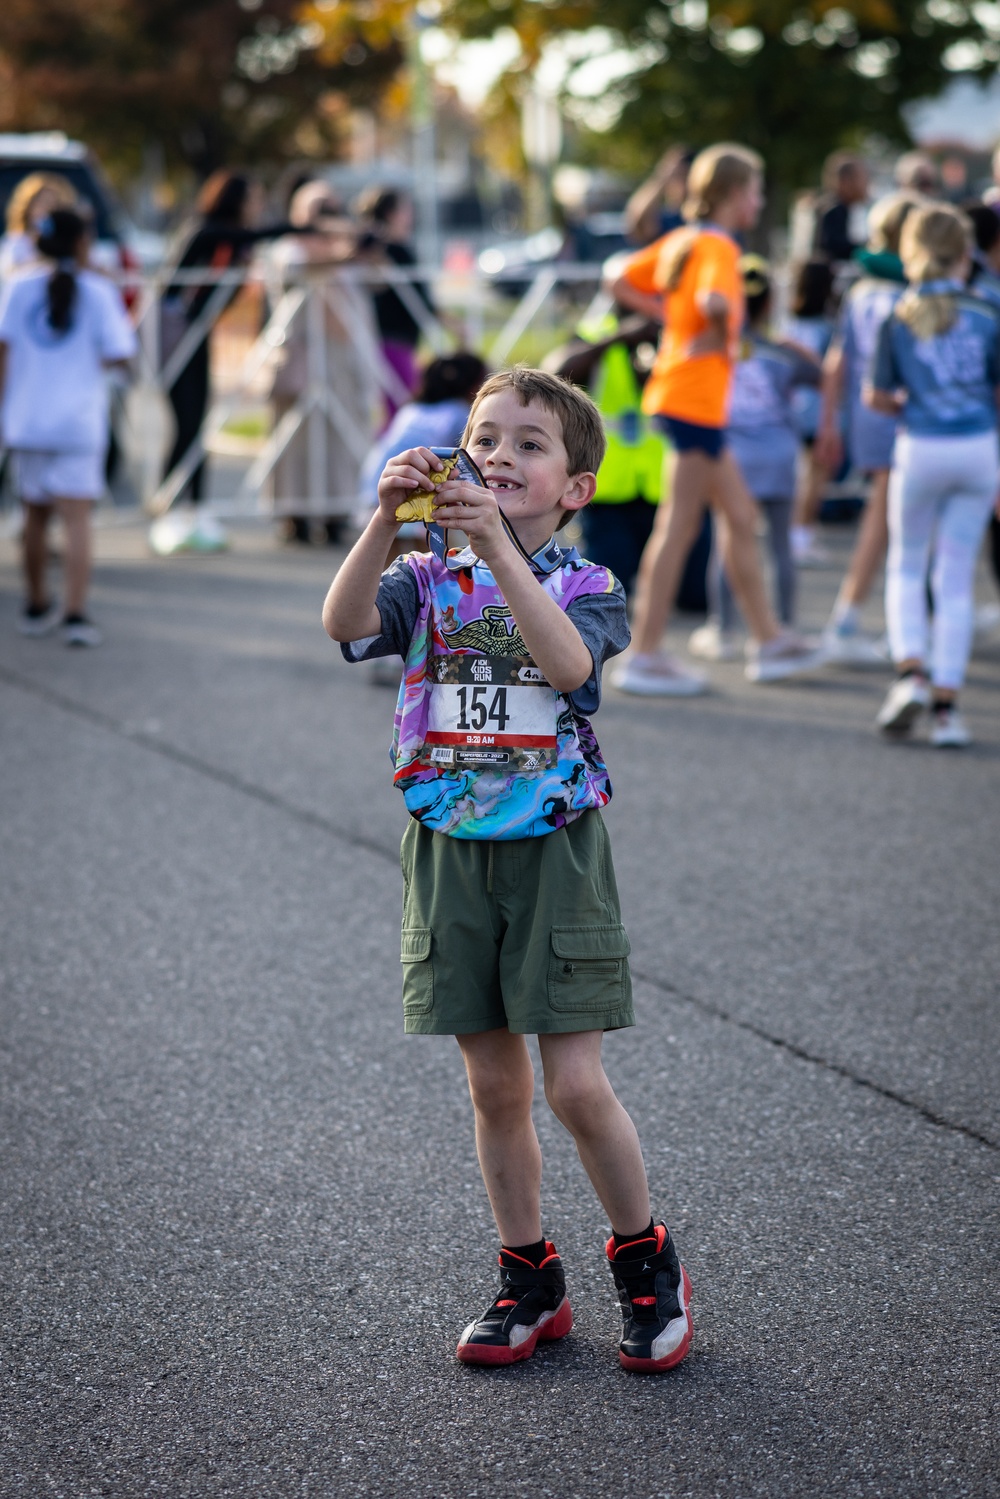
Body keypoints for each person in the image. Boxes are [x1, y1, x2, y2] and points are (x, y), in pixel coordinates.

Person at [322, 366, 693, 1375]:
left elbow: (569, 668)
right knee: (493, 1085)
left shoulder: (586, 584)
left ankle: (643, 1260)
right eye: (485, 437)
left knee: (573, 1084)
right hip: (447, 847)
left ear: (574, 486)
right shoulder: (426, 579)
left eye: (529, 444)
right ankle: (528, 1273)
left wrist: (493, 545)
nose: (498, 456)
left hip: (555, 850)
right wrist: (380, 527)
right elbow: (345, 623)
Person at [607, 142, 823, 694]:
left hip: (687, 398)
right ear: (732, 193)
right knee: (677, 529)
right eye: (754, 189)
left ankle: (769, 641)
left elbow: (619, 279)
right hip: (692, 402)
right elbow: (712, 300)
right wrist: (710, 321)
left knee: (739, 515)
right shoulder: (721, 246)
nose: (758, 200)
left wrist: (673, 324)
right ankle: (647, 656)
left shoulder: (684, 237)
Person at [868, 204, 1000, 746]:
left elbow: (875, 396)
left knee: (906, 566)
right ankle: (948, 711)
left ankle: (911, 675)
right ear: (965, 252)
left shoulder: (898, 313)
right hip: (978, 448)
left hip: (921, 447)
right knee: (955, 577)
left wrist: (908, 401)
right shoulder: (990, 310)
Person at [0, 208, 136, 645]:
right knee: (77, 520)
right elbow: (120, 351)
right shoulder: (97, 290)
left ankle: (37, 603)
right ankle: (75, 612)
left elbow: (3, 352)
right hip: (78, 420)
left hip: (27, 418)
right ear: (83, 242)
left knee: (34, 517)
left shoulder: (17, 287)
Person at [692, 255, 820, 660]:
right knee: (780, 545)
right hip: (780, 454)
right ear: (768, 304)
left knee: (728, 541)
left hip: (733, 455)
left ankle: (722, 629)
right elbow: (819, 374)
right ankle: (783, 625)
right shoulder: (781, 352)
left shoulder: (716, 350)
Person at [816, 192, 919, 665]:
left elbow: (836, 363)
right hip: (899, 416)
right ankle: (852, 618)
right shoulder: (907, 294)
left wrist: (829, 423)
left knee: (889, 518)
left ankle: (863, 618)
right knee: (894, 522)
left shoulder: (861, 290)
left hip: (865, 416)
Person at [160, 171, 296, 528]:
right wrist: (300, 227)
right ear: (235, 201)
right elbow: (250, 236)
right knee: (187, 420)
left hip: (195, 333)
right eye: (253, 199)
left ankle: (190, 506)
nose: (259, 207)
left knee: (196, 421)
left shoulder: (233, 242)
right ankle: (173, 504)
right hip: (172, 333)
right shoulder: (206, 231)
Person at [269, 180, 381, 544]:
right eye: (319, 210)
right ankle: (296, 516)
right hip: (303, 355)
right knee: (297, 440)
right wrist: (341, 251)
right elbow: (299, 269)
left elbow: (379, 279)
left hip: (342, 359)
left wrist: (363, 242)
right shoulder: (288, 249)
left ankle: (338, 511)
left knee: (342, 438)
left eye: (332, 208)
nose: (327, 218)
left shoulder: (346, 250)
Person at [355, 187, 437, 423]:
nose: (411, 214)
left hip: (405, 340)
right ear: (391, 213)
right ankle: (389, 458)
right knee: (399, 411)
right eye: (405, 209)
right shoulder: (384, 251)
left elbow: (421, 298)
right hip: (390, 339)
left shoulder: (400, 249)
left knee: (403, 406)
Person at [782, 259, 836, 567]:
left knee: (802, 475)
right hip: (818, 410)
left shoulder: (790, 323)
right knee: (816, 475)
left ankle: (799, 532)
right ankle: (801, 534)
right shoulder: (828, 328)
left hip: (792, 407)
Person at [0, 173, 78, 285]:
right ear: (28, 207)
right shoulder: (15, 242)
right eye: (42, 203)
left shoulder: (68, 243)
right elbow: (7, 277)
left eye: (53, 204)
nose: (47, 209)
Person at [623, 146, 693, 247]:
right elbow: (638, 224)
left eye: (682, 175)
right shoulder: (670, 217)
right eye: (676, 175)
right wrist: (662, 178)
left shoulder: (701, 216)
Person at [813, 152, 869, 266]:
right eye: (861, 178)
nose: (866, 184)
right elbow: (835, 248)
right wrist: (868, 248)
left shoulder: (841, 208)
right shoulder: (831, 210)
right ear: (845, 181)